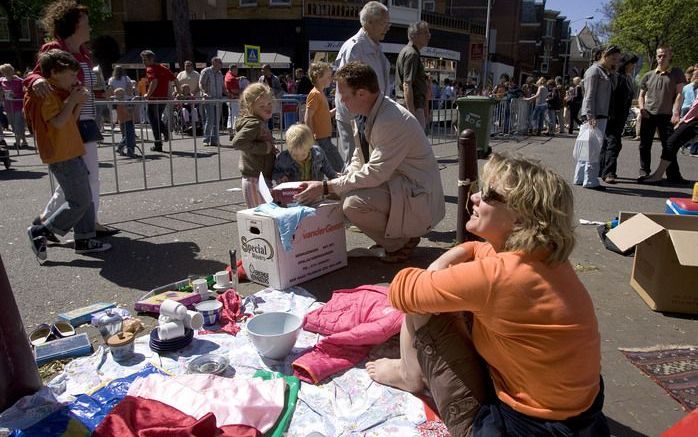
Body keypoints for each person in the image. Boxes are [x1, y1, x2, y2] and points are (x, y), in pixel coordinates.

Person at [366, 152, 609, 436]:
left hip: (526, 427)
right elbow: (480, 250)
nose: (474, 197)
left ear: (520, 220)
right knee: (446, 293)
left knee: (423, 303)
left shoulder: (498, 276)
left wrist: (435, 269)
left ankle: (409, 375)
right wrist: (460, 253)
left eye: (490, 195)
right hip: (581, 417)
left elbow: (402, 291)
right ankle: (413, 368)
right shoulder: (545, 258)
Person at [295, 62, 445, 263]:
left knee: (353, 204)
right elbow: (360, 157)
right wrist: (340, 181)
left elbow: (375, 173)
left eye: (344, 96)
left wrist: (325, 186)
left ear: (362, 94)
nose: (341, 102)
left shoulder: (390, 120)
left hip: (419, 196)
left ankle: (399, 244)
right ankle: (397, 237)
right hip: (403, 187)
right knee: (342, 194)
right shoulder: (369, 114)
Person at [25, 0, 117, 238]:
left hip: (82, 119)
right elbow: (36, 73)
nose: (89, 28)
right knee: (85, 178)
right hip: (69, 121)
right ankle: (75, 226)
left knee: (79, 178)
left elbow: (80, 86)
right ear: (74, 25)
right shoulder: (54, 49)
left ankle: (47, 219)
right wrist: (36, 81)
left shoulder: (83, 53)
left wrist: (99, 95)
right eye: (86, 23)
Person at [25, 50, 112, 261]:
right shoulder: (47, 94)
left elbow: (70, 121)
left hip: (70, 151)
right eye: (72, 75)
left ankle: (84, 238)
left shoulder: (57, 93)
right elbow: (57, 122)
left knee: (85, 197)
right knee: (79, 200)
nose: (75, 79)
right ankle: (42, 230)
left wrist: (78, 102)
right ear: (54, 73)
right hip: (61, 154)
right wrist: (73, 99)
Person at [334, 1, 391, 169]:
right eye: (384, 23)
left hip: (371, 115)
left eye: (388, 23)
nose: (387, 27)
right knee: (355, 163)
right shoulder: (355, 48)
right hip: (357, 117)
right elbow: (348, 89)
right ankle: (349, 194)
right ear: (369, 22)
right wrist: (362, 119)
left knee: (367, 162)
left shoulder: (375, 47)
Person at [637, 47, 686, 183]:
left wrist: (676, 111)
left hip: (667, 115)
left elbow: (680, 94)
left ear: (670, 56)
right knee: (645, 144)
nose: (661, 58)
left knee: (669, 145)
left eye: (664, 56)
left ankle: (673, 175)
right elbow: (641, 95)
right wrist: (642, 108)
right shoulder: (648, 75)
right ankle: (644, 171)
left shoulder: (676, 73)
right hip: (649, 114)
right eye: (659, 56)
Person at [576, 45, 621, 190]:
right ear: (604, 55)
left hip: (599, 115)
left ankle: (580, 177)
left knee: (587, 147)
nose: (615, 61)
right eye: (613, 58)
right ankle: (590, 180)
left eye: (617, 59)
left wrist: (612, 73)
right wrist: (590, 115)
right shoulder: (595, 71)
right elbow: (589, 95)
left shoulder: (604, 72)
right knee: (593, 149)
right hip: (596, 116)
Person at [232, 83, 276, 208]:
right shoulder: (255, 123)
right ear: (251, 107)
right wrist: (265, 148)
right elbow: (238, 142)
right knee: (259, 217)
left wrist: (270, 148)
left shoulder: (259, 121)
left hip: (259, 177)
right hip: (254, 179)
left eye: (269, 103)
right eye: (261, 106)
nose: (267, 108)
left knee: (264, 216)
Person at [599, 54, 638, 184]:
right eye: (632, 64)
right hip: (614, 115)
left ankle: (602, 169)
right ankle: (609, 172)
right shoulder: (619, 78)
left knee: (610, 143)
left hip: (620, 116)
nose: (633, 66)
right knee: (613, 143)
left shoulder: (626, 78)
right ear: (626, 64)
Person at [643, 97, 698, 182]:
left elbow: (696, 107)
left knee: (671, 143)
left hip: (694, 120)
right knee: (672, 144)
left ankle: (658, 175)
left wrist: (684, 119)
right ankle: (670, 175)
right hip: (692, 119)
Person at [304, 61, 343, 172]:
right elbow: (308, 117)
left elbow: (326, 115)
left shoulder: (320, 93)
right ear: (318, 77)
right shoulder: (315, 94)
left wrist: (338, 108)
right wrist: (311, 137)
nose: (331, 79)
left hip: (324, 138)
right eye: (329, 76)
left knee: (324, 168)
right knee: (338, 166)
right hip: (320, 139)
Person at [141, 49, 180, 152]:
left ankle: (161, 138)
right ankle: (161, 139)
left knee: (154, 122)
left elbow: (154, 81)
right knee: (156, 120)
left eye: (145, 60)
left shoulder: (150, 68)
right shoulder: (163, 68)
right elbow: (175, 79)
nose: (143, 62)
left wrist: (148, 95)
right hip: (163, 99)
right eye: (143, 60)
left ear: (151, 59)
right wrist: (179, 93)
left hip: (154, 99)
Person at [272, 123, 337, 184]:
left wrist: (335, 177)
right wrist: (280, 177)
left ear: (310, 147)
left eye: (303, 155)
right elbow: (276, 172)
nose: (299, 158)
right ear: (289, 148)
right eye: (294, 155)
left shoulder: (318, 154)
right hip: (293, 192)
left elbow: (327, 169)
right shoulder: (284, 158)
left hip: (313, 189)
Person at [395, 21, 430, 129]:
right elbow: (407, 84)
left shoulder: (409, 52)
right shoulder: (412, 54)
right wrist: (411, 113)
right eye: (425, 33)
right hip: (412, 106)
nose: (429, 36)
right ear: (415, 35)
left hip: (410, 105)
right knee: (416, 142)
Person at [199, 56, 226, 147]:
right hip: (209, 99)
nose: (221, 65)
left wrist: (228, 94)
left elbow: (222, 87)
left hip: (218, 100)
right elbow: (201, 84)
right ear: (214, 63)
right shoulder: (206, 71)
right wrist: (204, 93)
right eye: (220, 63)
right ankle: (206, 140)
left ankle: (215, 140)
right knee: (210, 119)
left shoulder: (220, 74)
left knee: (216, 121)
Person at [0, 64, 28, 148]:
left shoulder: (19, 80)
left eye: (8, 71)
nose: (7, 73)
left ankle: (18, 142)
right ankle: (24, 141)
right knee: (12, 124)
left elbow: (25, 92)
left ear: (12, 70)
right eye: (4, 71)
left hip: (18, 104)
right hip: (8, 106)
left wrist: (15, 95)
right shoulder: (1, 80)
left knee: (18, 124)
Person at [112, 88, 137, 158]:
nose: (121, 95)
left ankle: (122, 148)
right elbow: (115, 113)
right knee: (130, 137)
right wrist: (113, 122)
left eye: (122, 94)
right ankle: (128, 151)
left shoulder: (124, 102)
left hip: (127, 121)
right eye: (119, 94)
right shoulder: (117, 103)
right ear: (115, 95)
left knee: (128, 137)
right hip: (125, 122)